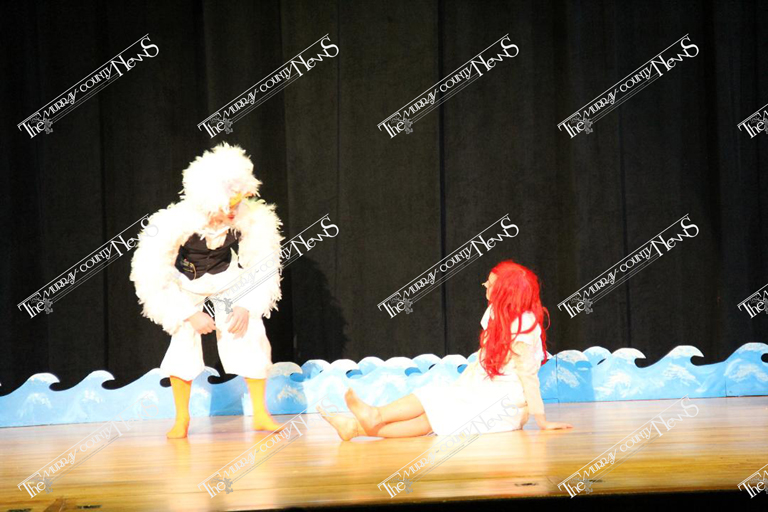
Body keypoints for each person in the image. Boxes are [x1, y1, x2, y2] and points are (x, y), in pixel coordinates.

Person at [130, 143, 284, 439]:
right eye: (229, 204)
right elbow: (151, 271)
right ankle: (182, 419)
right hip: (186, 282)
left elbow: (263, 261)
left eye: (238, 202)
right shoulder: (175, 221)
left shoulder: (249, 217)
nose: (234, 210)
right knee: (183, 338)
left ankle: (261, 414)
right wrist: (188, 313)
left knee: (248, 330)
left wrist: (246, 304)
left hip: (227, 277)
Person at [319, 260, 572, 440]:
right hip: (484, 390)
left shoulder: (524, 326)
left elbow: (528, 377)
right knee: (431, 395)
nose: (485, 285)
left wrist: (542, 420)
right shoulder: (496, 313)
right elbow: (483, 362)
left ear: (507, 293)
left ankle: (357, 428)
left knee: (433, 418)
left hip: (504, 406)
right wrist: (460, 389)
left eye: (491, 284)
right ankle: (373, 416)